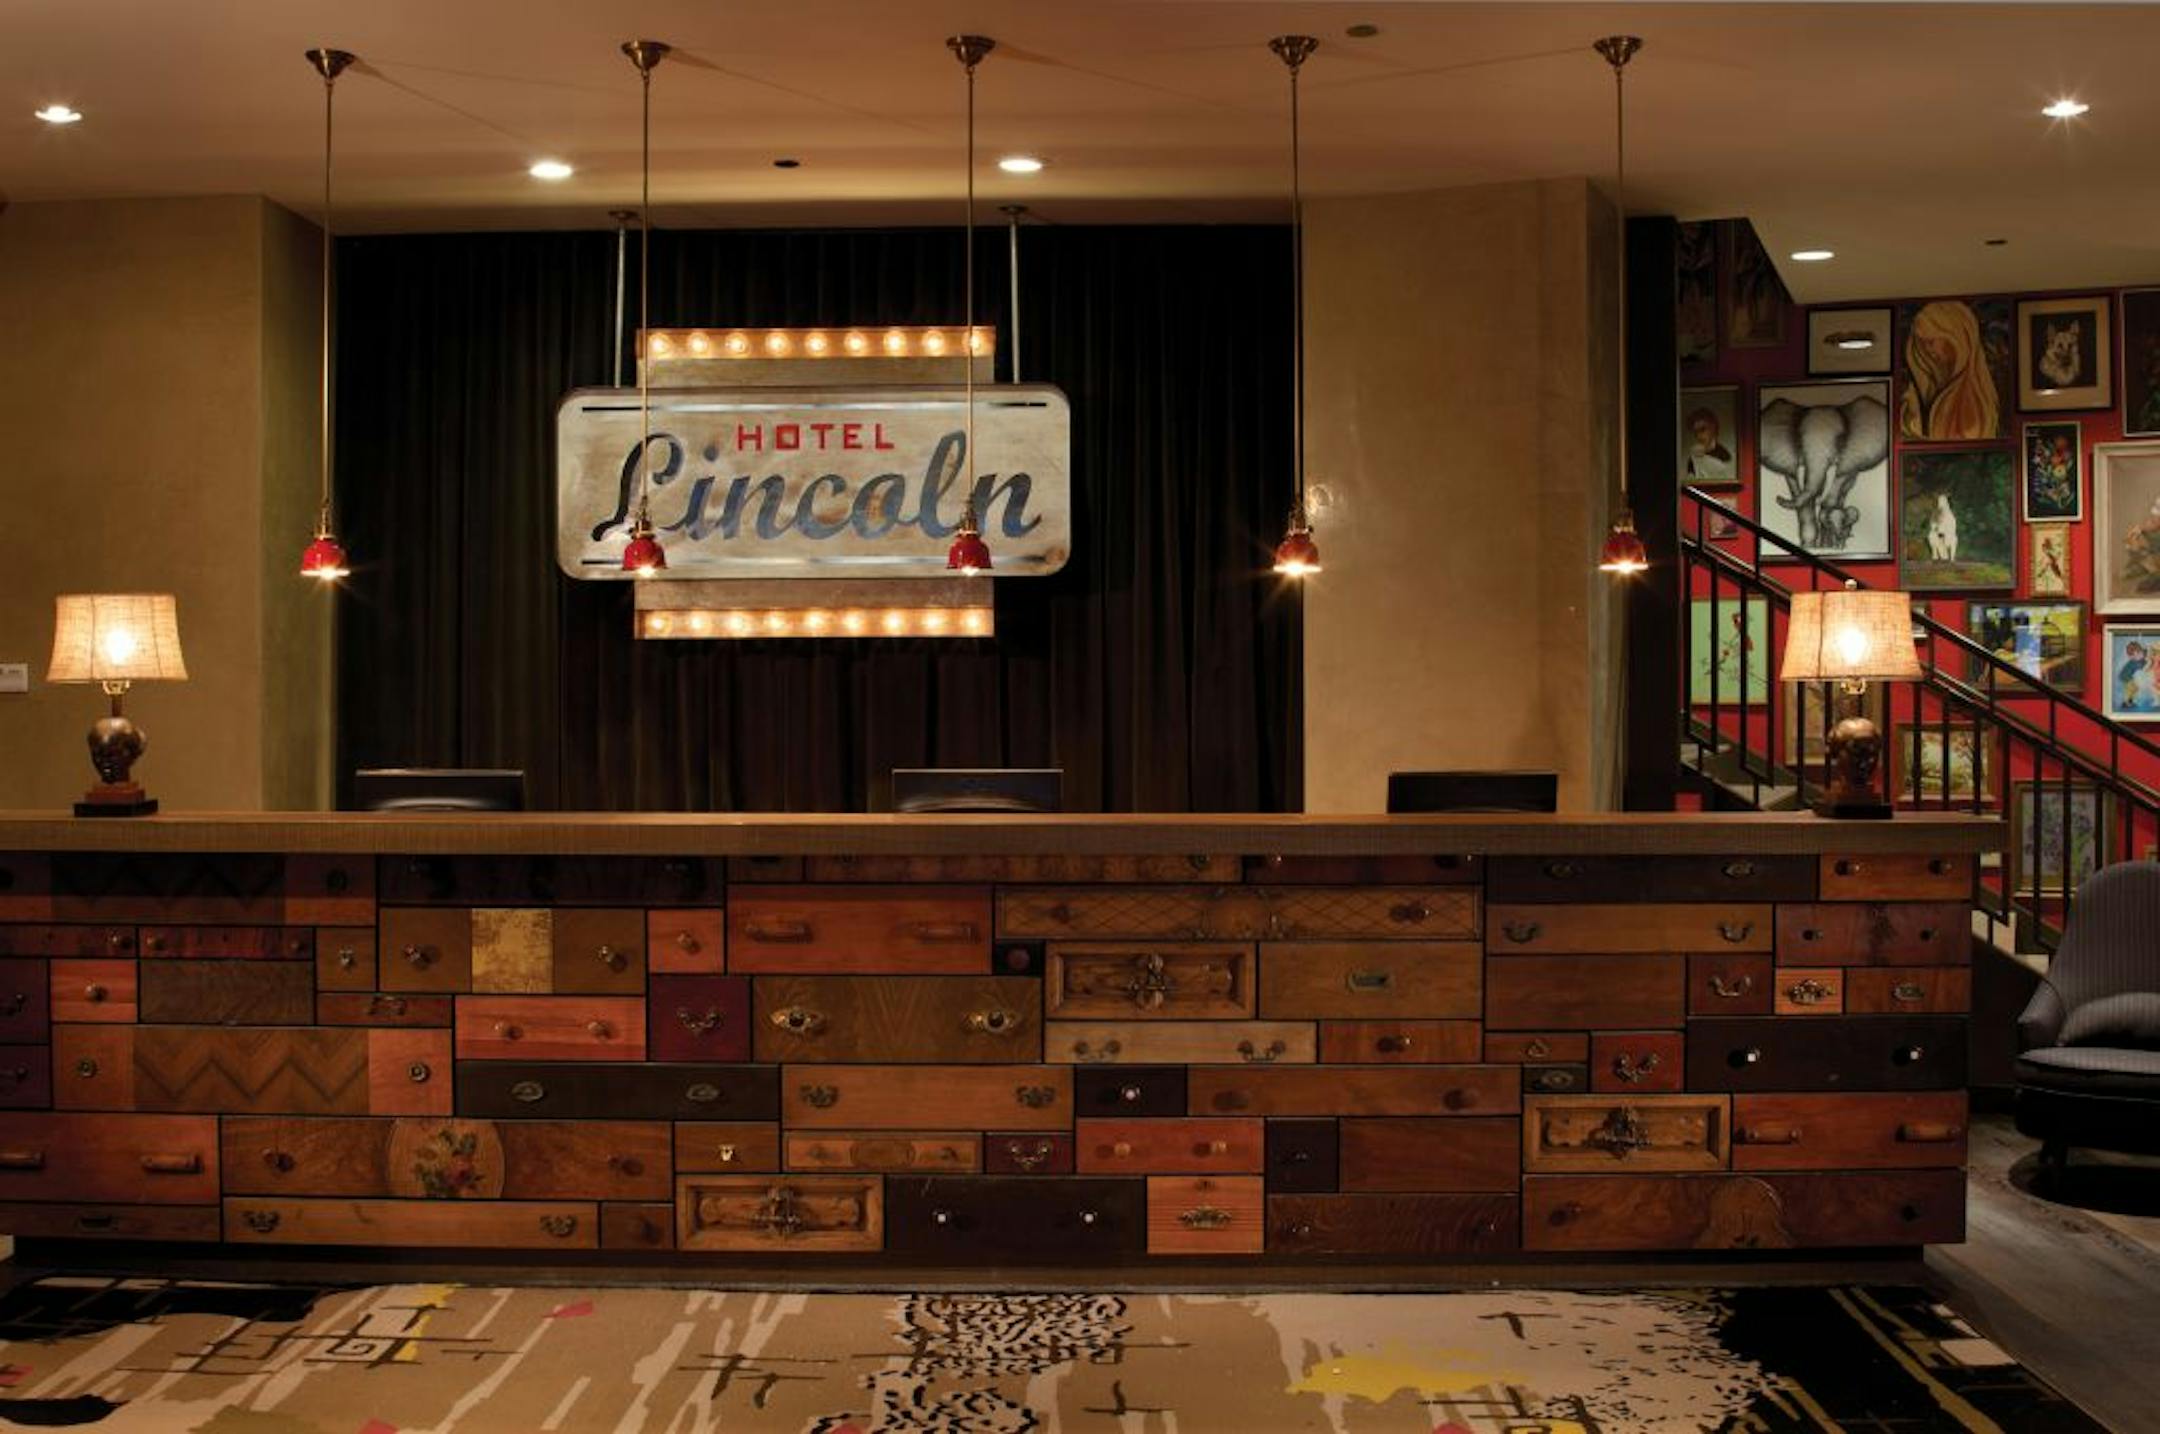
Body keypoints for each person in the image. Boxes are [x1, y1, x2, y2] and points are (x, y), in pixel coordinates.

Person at [1900, 300, 2000, 440]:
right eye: (1922, 342)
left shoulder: (1976, 399)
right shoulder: (1919, 391)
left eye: (1932, 340)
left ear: (1957, 337)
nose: (1928, 349)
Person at [1685, 407, 1736, 486]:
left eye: (1703, 430)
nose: (1699, 436)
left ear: (1713, 428)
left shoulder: (1725, 455)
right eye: (1696, 432)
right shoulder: (1693, 459)